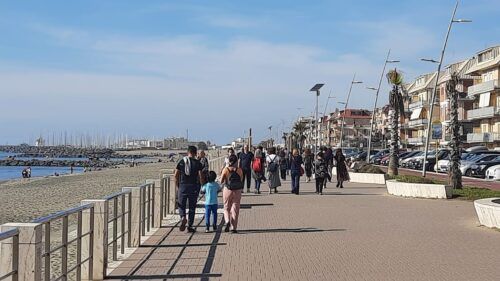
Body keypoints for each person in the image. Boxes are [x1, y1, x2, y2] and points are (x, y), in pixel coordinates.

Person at [175, 146, 204, 233]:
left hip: (183, 186)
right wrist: (202, 185)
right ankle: (190, 226)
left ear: (188, 152)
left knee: (181, 204)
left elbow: (175, 175)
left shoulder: (181, 162)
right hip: (193, 186)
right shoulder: (198, 163)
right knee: (192, 207)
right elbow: (200, 176)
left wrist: (177, 186)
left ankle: (182, 217)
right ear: (195, 153)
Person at [220, 155, 243, 233]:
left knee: (226, 207)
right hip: (237, 190)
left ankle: (227, 222)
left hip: (227, 189)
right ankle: (233, 228)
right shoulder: (239, 170)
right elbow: (241, 179)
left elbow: (221, 181)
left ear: (229, 161)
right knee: (235, 209)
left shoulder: (225, 170)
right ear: (236, 161)